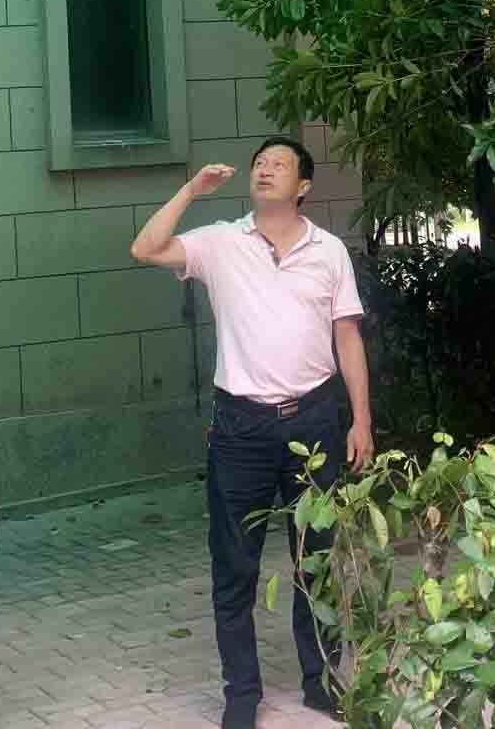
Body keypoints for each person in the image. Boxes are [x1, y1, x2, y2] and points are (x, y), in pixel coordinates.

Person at [131, 136, 372, 729]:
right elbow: (145, 247)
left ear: (303, 185)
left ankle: (320, 683)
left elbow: (347, 338)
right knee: (234, 565)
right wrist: (192, 190)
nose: (264, 170)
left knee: (316, 559)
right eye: (260, 163)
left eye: (278, 165)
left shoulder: (329, 251)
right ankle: (241, 695)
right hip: (240, 428)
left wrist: (361, 419)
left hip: (314, 420)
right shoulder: (220, 242)